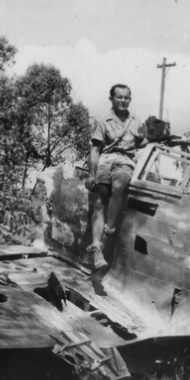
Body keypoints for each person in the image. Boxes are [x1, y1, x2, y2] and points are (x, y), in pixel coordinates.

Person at [84, 84, 146, 271]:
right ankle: (96, 248)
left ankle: (107, 232)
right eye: (119, 97)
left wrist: (159, 137)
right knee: (99, 200)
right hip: (105, 160)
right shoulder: (103, 121)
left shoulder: (136, 121)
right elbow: (95, 150)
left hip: (125, 161)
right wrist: (91, 175)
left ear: (130, 99)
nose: (123, 101)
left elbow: (142, 142)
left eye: (126, 97)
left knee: (120, 185)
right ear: (111, 99)